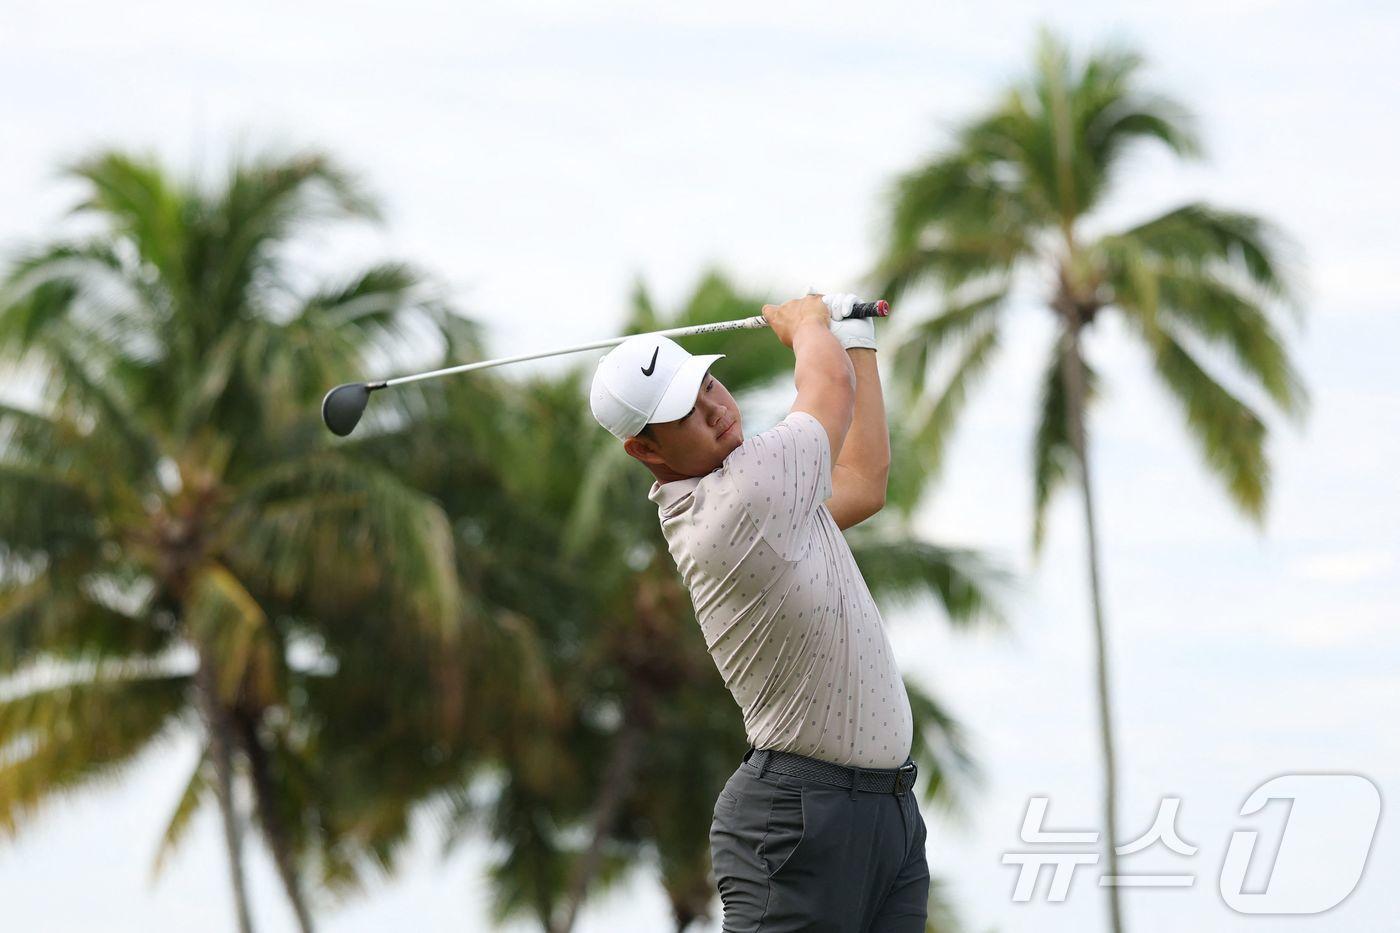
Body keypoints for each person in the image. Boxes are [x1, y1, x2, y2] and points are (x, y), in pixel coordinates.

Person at [588, 293, 929, 931]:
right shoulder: (744, 496)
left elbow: (863, 481)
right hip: (801, 815)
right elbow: (826, 387)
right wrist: (807, 323)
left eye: (709, 384)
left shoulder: (769, 503)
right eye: (685, 413)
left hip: (887, 815)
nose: (715, 408)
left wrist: (856, 336)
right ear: (646, 451)